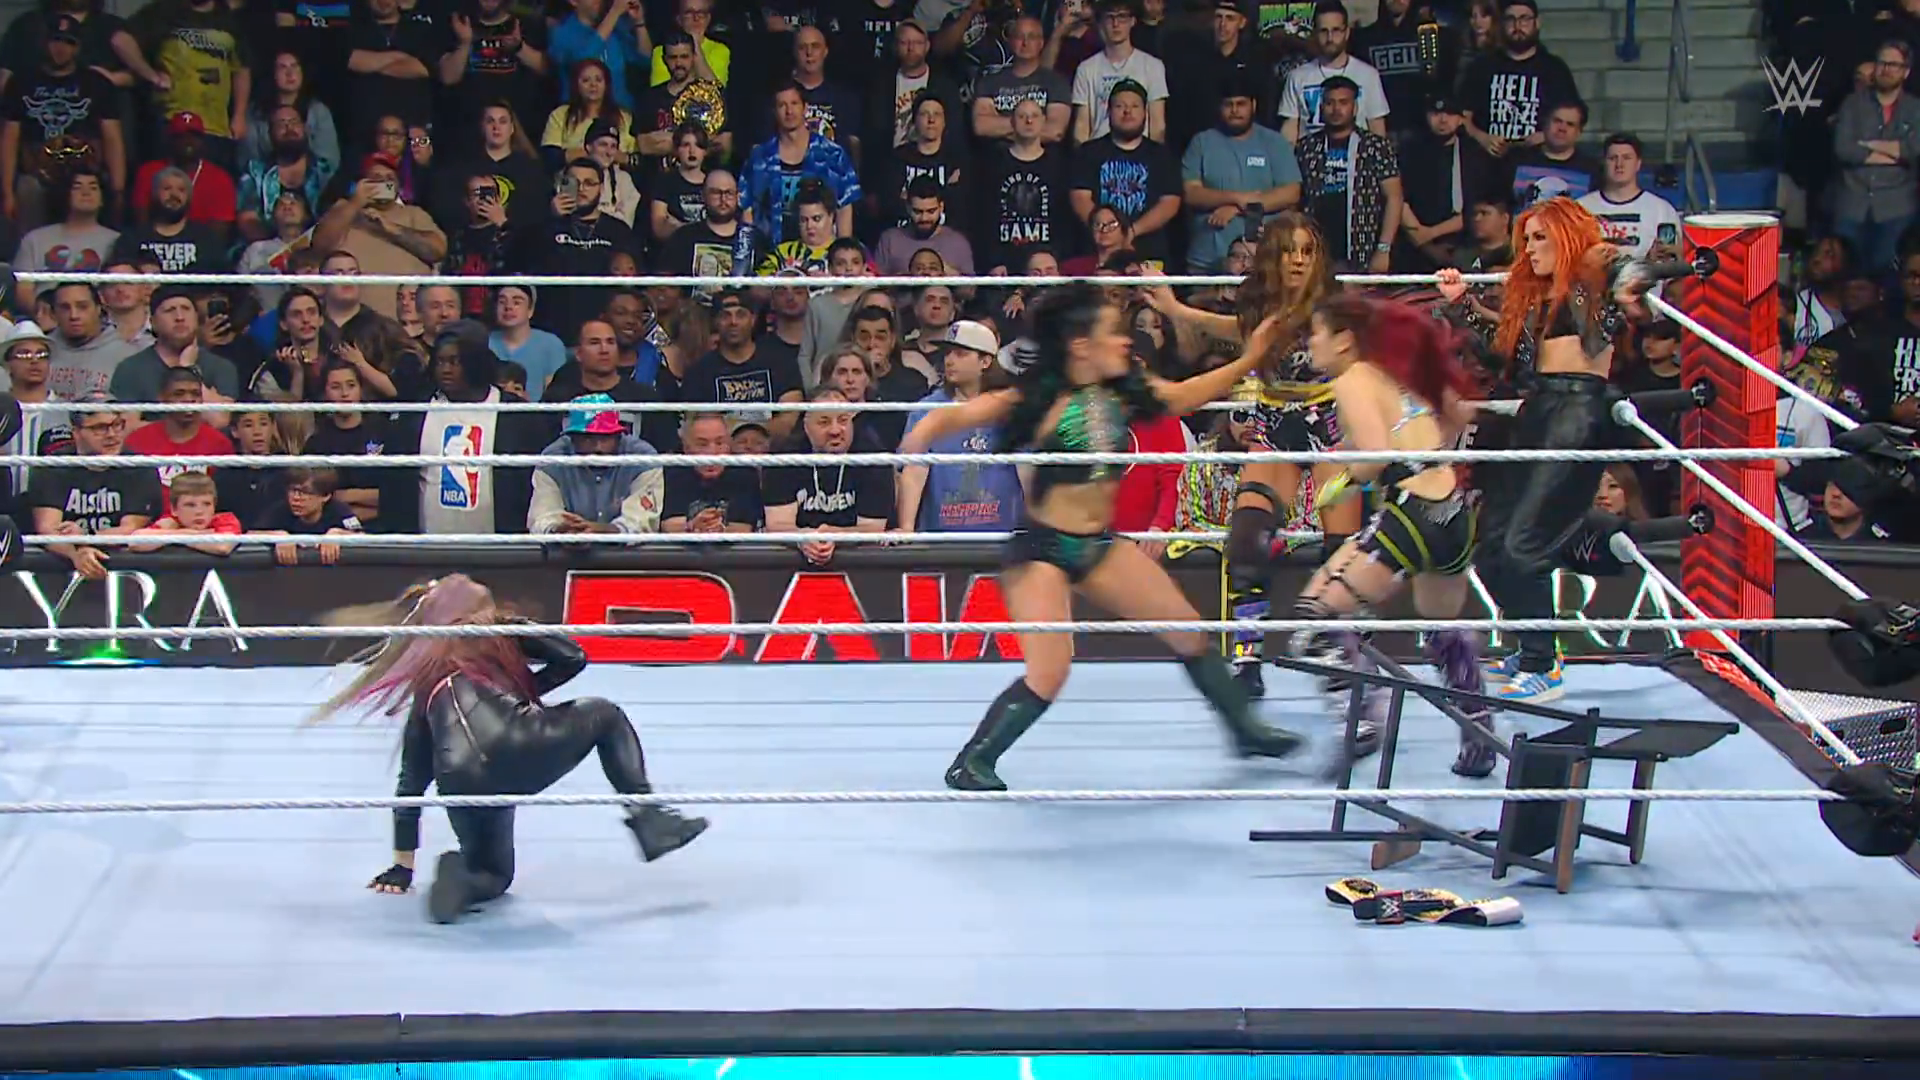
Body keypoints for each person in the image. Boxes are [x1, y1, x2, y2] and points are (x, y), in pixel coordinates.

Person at [897, 284, 1307, 792]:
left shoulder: (1123, 391)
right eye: (1113, 332)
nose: (1125, 341)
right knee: (1050, 672)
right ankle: (972, 762)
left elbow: (1184, 396)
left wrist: (1250, 359)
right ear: (1081, 345)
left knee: (1189, 630)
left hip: (1098, 545)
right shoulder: (1041, 398)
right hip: (1042, 548)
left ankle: (1246, 730)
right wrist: (922, 431)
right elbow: (962, 413)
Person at [311, 575, 709, 924]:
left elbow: (411, 783)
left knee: (493, 876)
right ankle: (648, 819)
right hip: (518, 744)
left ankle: (461, 880)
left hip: (462, 781)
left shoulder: (425, 688)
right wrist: (517, 636)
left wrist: (402, 866)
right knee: (605, 714)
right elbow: (574, 656)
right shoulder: (496, 634)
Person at [1435, 196, 1658, 704]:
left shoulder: (1590, 270)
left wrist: (1630, 286)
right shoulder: (1537, 297)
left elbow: (1628, 268)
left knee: (1524, 545)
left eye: (1540, 238)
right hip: (1537, 411)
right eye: (1527, 239)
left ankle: (1543, 664)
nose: (1530, 248)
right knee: (1491, 545)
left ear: (1565, 236)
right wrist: (1462, 303)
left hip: (1576, 414)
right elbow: (1501, 357)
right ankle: (1530, 647)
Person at [1142, 212, 1357, 698]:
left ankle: (1342, 655)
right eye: (1289, 251)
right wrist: (1176, 310)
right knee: (1245, 543)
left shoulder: (1336, 304)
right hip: (1275, 422)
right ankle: (1247, 657)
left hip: (1327, 423)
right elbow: (1236, 331)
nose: (1299, 260)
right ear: (1273, 257)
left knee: (1341, 549)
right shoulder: (1257, 303)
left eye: (1307, 251)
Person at [1285, 293, 1493, 775]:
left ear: (1343, 339)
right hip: (1453, 510)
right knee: (1445, 631)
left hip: (1411, 512)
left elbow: (1376, 454)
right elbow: (1457, 417)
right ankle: (1479, 738)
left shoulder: (1352, 378)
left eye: (1316, 333)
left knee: (1316, 616)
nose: (1309, 343)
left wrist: (1342, 481)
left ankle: (1362, 721)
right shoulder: (1396, 374)